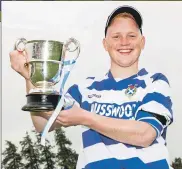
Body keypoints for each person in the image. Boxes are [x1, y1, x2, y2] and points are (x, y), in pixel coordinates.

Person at [10, 5, 173, 169]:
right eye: (116, 36)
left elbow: (144, 134)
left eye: (131, 35)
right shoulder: (84, 88)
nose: (124, 42)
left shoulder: (155, 82)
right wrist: (31, 77)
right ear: (105, 44)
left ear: (142, 42)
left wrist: (85, 117)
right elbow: (44, 123)